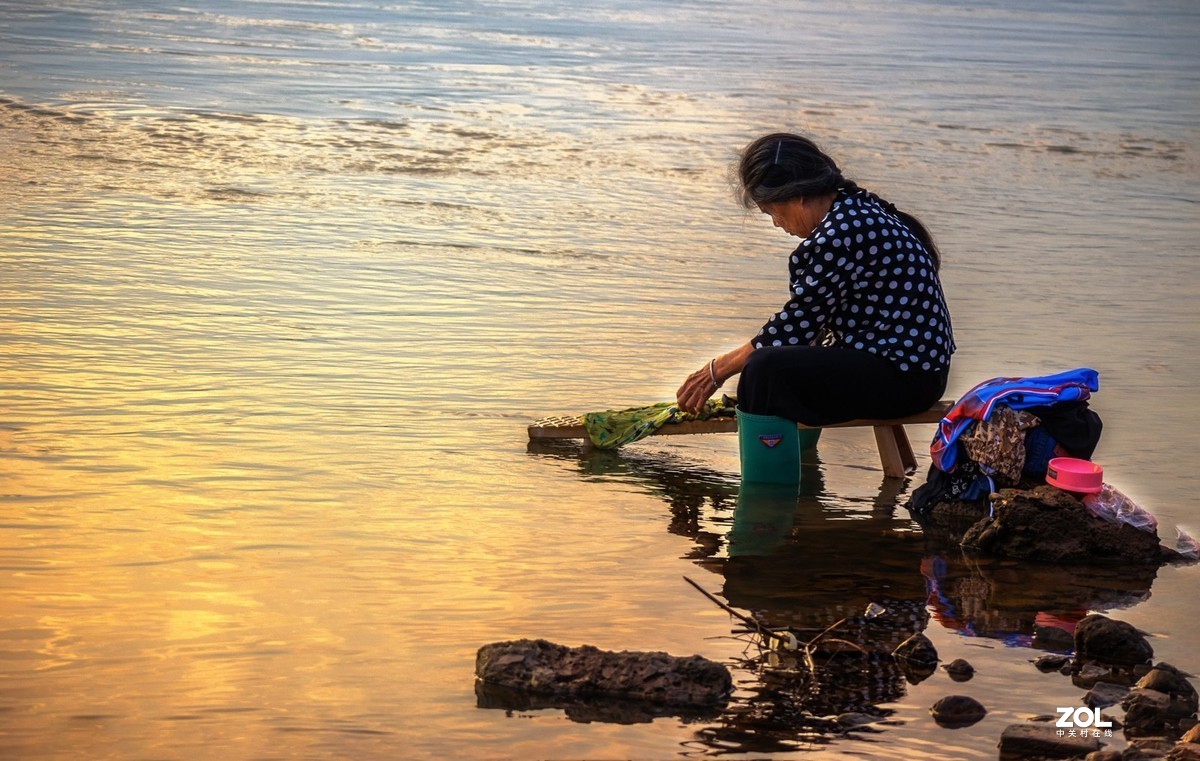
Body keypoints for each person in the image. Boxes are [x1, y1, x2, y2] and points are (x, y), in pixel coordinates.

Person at [676, 133, 954, 442]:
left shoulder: (841, 232)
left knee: (763, 371)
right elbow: (807, 325)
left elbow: (792, 328)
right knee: (787, 361)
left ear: (799, 196)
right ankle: (806, 475)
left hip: (905, 379)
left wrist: (717, 370)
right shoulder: (854, 210)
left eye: (772, 212)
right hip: (912, 370)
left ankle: (767, 485)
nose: (776, 224)